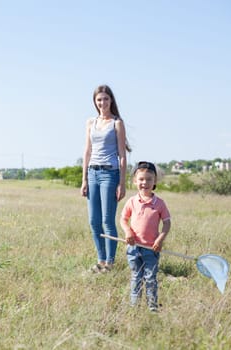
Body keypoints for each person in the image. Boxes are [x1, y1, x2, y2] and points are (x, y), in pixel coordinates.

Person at [81, 85, 130, 273]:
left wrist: (122, 183)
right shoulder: (90, 123)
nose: (103, 103)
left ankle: (110, 263)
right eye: (99, 100)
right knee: (93, 221)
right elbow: (87, 151)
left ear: (111, 101)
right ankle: (101, 260)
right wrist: (84, 179)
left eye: (106, 99)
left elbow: (122, 155)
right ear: (95, 101)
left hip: (110, 173)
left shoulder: (117, 123)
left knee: (107, 221)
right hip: (92, 173)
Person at [120, 161, 171, 312]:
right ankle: (134, 307)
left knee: (150, 278)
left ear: (155, 181)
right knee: (136, 277)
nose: (145, 182)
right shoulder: (132, 201)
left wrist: (160, 239)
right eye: (141, 179)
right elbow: (123, 219)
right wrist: (128, 232)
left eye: (149, 179)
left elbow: (167, 224)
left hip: (151, 249)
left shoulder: (159, 203)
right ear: (135, 181)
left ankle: (152, 307)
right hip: (134, 248)